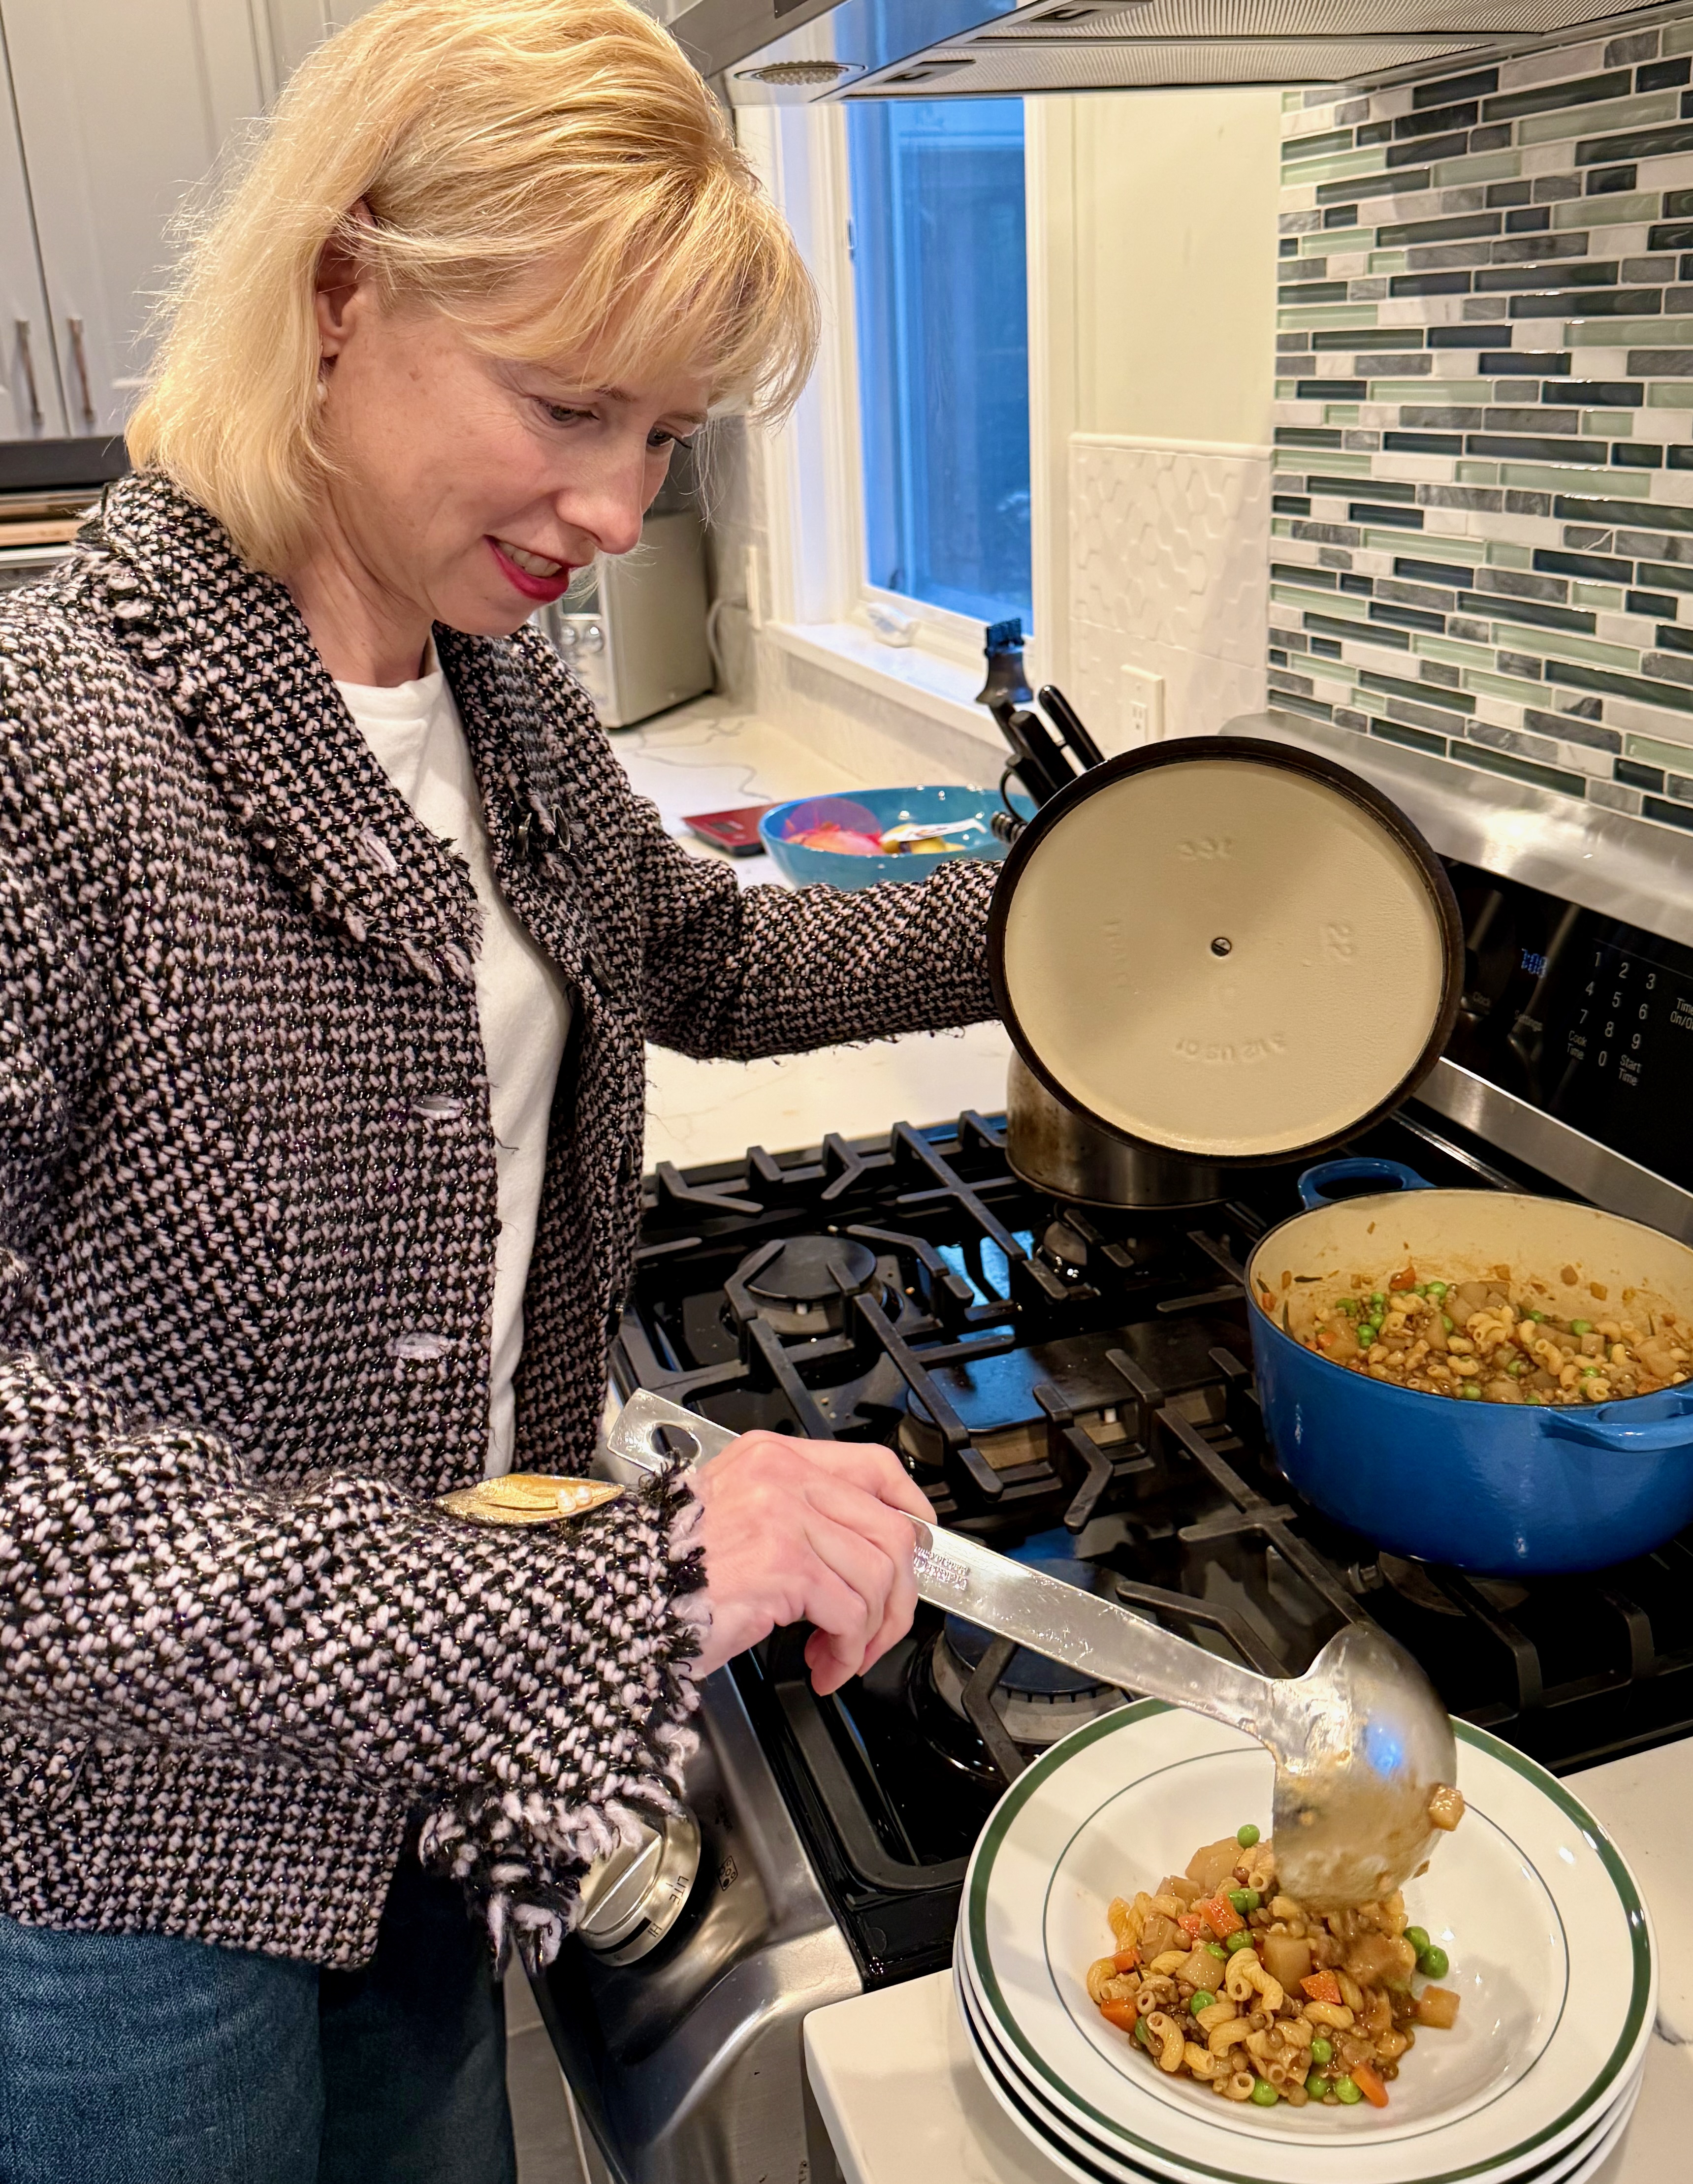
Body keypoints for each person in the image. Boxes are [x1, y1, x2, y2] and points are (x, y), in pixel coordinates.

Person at [0, 4, 998, 2176]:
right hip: (124, 1852)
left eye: (668, 437)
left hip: (434, 1767)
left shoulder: (495, 697)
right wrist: (610, 1597)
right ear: (342, 291)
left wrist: (1076, 921)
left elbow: (703, 952)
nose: (619, 508)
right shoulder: (57, 743)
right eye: (565, 406)